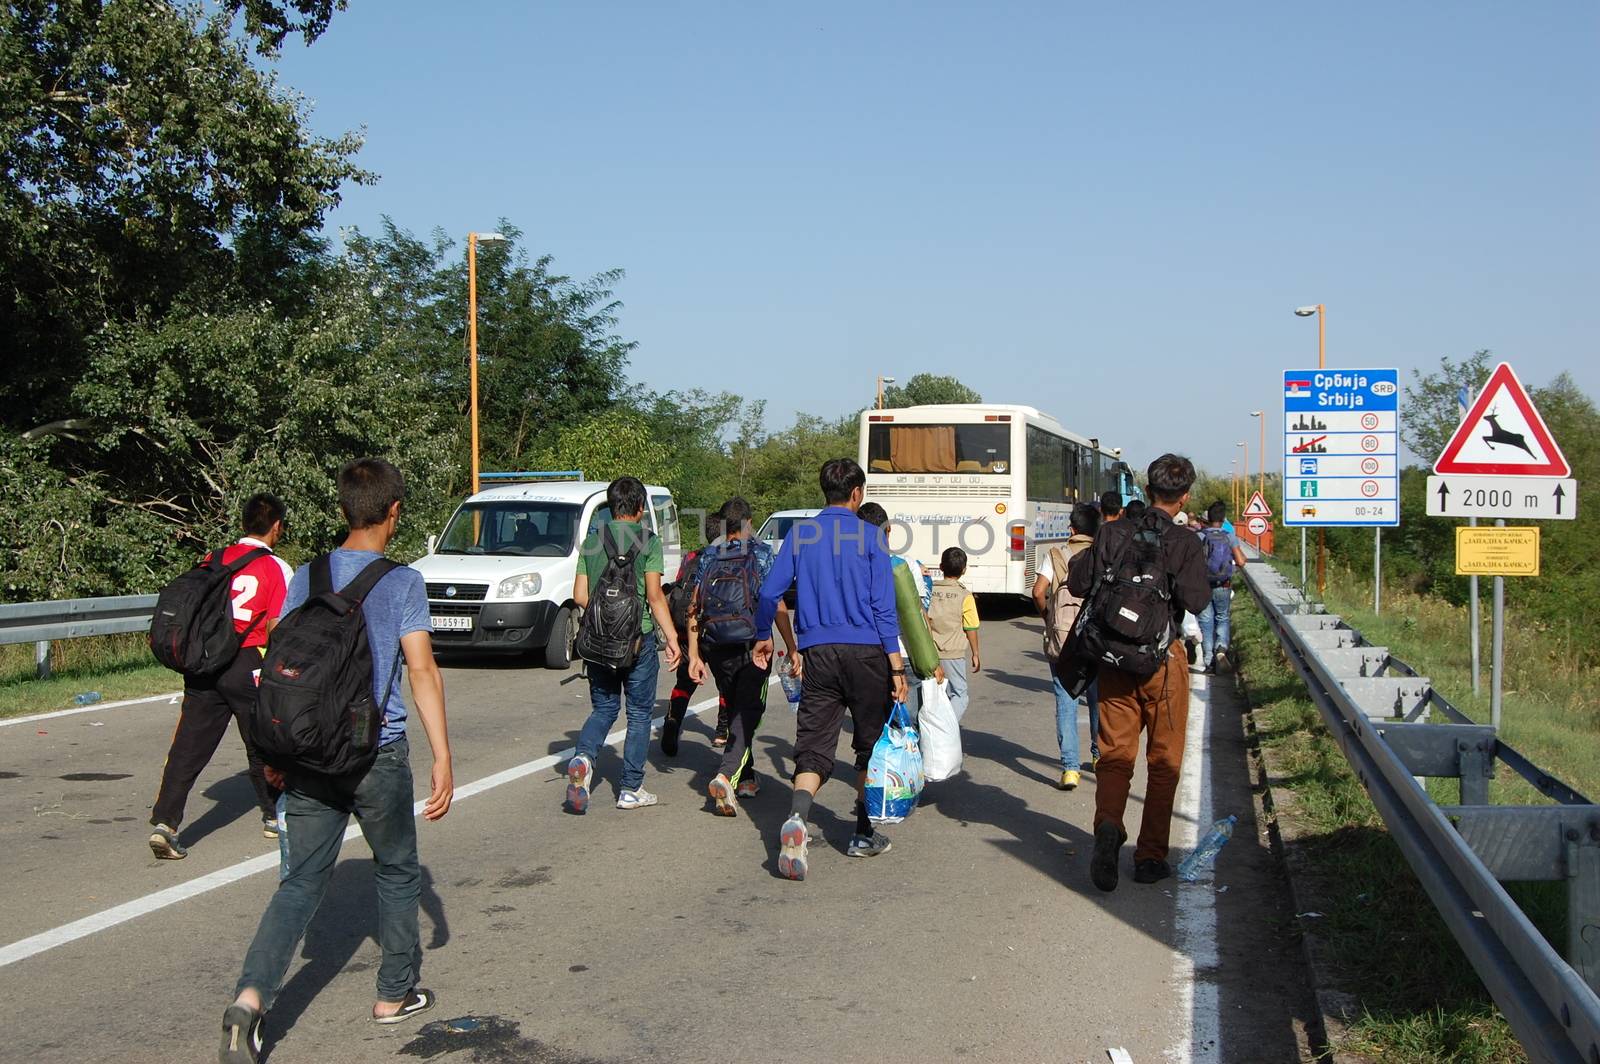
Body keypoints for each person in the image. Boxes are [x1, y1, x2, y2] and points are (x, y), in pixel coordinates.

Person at [220, 459, 454, 1061]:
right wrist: (443, 756)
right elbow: (422, 669)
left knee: (298, 883)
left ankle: (249, 1001)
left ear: (345, 507)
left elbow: (282, 666)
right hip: (376, 753)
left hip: (309, 753)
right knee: (398, 869)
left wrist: (277, 751)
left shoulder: (306, 574)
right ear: (394, 512)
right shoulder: (401, 582)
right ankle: (393, 995)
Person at [752, 458, 907, 880]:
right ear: (857, 494)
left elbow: (769, 591)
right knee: (868, 745)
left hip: (818, 652)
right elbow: (883, 608)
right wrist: (896, 668)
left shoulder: (801, 534)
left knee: (814, 743)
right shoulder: (873, 537)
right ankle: (861, 833)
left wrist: (764, 633)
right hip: (868, 654)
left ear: (825, 491)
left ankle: (798, 820)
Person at [1071, 454, 1209, 891]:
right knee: (1164, 761)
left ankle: (1109, 826)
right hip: (1163, 663)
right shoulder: (1184, 542)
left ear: (1147, 490)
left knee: (1114, 755)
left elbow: (1077, 584)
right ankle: (1150, 857)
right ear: (1184, 496)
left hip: (1114, 660)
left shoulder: (1112, 532)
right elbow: (1198, 600)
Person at [148, 493, 293, 860]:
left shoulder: (214, 558)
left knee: (188, 747)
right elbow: (277, 624)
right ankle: (273, 815)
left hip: (204, 661)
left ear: (244, 523)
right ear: (276, 527)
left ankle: (166, 824)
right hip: (246, 661)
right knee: (261, 741)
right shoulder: (276, 567)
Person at [565, 476, 682, 813]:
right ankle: (630, 788)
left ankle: (584, 759)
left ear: (610, 506)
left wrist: (605, 620)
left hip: (599, 641)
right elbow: (656, 597)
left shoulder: (591, 540)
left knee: (604, 708)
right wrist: (673, 639)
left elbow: (580, 596)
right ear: (641, 508)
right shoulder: (649, 541)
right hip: (638, 640)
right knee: (640, 713)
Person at [687, 497, 797, 816]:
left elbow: (694, 606)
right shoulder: (761, 553)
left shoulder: (709, 554)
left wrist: (694, 654)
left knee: (736, 706)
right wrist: (790, 646)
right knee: (748, 710)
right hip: (751, 643)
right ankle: (727, 773)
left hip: (716, 643)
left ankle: (746, 777)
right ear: (748, 523)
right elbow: (775, 602)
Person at [1032, 502, 1099, 789]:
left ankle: (1070, 769)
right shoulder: (1103, 555)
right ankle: (1099, 755)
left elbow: (1038, 592)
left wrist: (1048, 617)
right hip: (1095, 640)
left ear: (1071, 529)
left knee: (1065, 701)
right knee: (1097, 698)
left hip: (1061, 638)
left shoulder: (1056, 554)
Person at [858, 501, 939, 718]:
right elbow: (919, 615)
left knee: (874, 722)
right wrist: (933, 660)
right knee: (909, 721)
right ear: (889, 530)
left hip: (864, 655)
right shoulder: (906, 565)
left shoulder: (852, 567)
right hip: (903, 654)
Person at [662, 506, 729, 757]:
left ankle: (673, 721)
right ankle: (722, 731)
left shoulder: (691, 557)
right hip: (715, 630)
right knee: (726, 682)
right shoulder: (726, 558)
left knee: (684, 681)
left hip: (687, 629)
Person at [925, 547, 980, 720]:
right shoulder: (965, 595)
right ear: (964, 569)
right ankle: (946, 727)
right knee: (960, 694)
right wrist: (975, 653)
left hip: (929, 652)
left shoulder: (929, 591)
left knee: (934, 693)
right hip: (953, 654)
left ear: (941, 567)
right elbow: (971, 627)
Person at [1197, 500, 1249, 674]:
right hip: (1223, 585)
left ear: (1207, 518)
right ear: (1223, 518)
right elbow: (1241, 561)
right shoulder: (1229, 536)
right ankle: (1221, 648)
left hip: (1203, 585)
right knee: (1222, 617)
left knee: (1206, 622)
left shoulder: (1199, 536)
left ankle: (1209, 662)